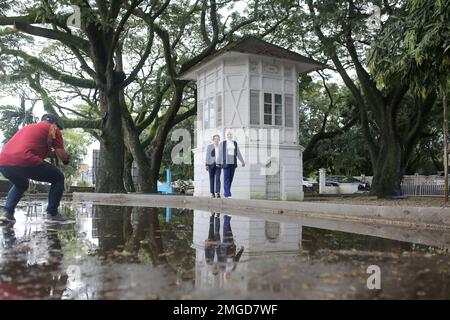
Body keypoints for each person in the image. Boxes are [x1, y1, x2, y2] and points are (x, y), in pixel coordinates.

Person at [0, 114, 71, 224]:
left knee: (21, 184)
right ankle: (52, 214)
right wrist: (67, 157)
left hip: (3, 162)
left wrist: (49, 154)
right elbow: (62, 155)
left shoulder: (28, 127)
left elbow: (27, 147)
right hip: (25, 159)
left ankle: (7, 213)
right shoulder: (53, 128)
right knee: (58, 178)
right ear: (54, 123)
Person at [217, 130, 245, 198]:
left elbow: (238, 153)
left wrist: (242, 161)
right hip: (226, 161)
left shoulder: (235, 143)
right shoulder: (223, 143)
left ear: (232, 135)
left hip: (233, 161)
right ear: (226, 135)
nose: (229, 136)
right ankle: (227, 194)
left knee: (231, 178)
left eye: (230, 134)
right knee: (226, 178)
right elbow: (220, 153)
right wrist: (218, 162)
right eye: (228, 134)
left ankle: (227, 192)